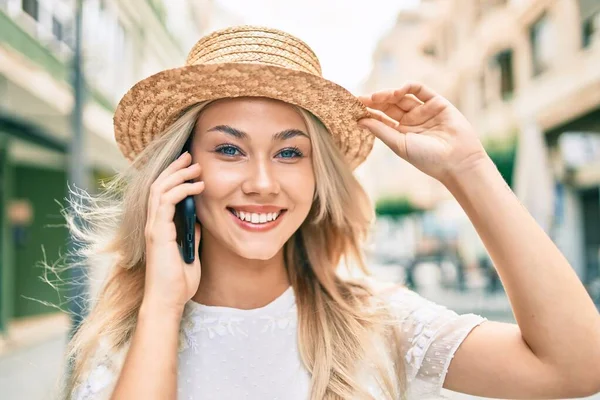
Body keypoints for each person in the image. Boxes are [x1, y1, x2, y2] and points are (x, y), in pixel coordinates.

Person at [61, 25, 600, 400]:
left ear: (318, 179)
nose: (263, 182)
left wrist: (469, 167)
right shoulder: (123, 340)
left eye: (290, 152)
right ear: (179, 172)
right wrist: (162, 303)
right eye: (229, 149)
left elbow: (575, 367)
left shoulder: (377, 321)